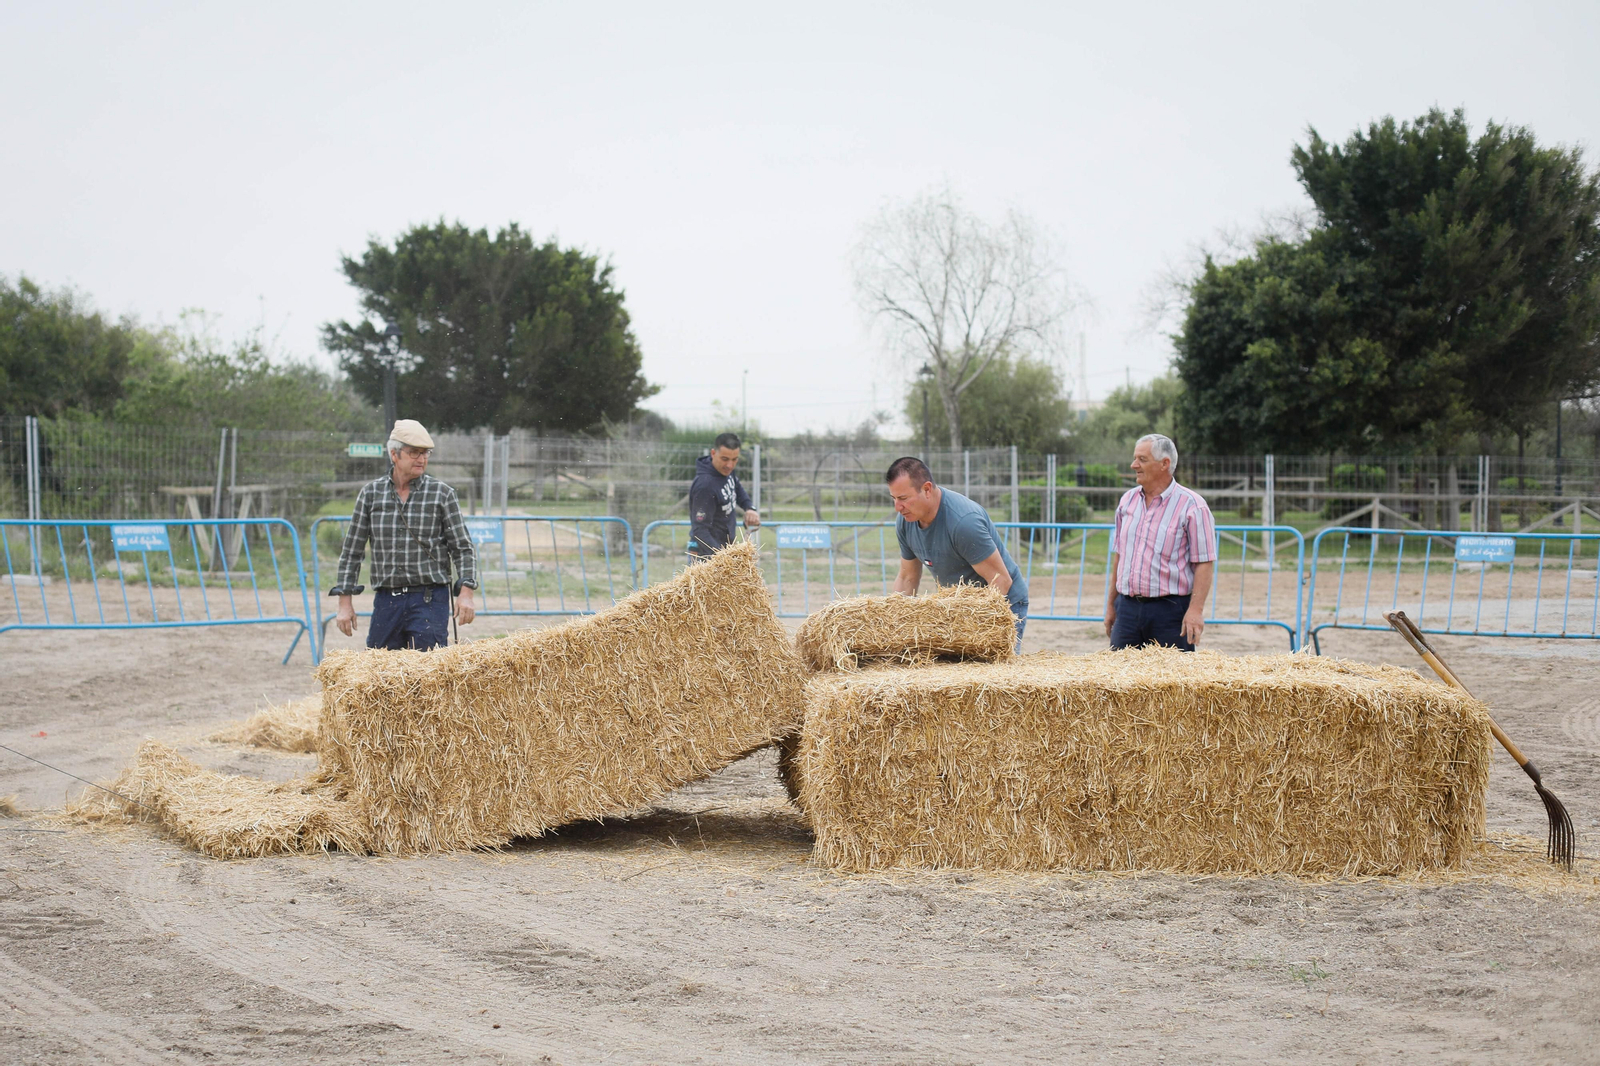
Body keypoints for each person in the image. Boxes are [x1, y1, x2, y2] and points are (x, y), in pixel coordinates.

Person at [329, 419, 478, 650]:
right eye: (414, 453)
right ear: (394, 455)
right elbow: (351, 553)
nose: (422, 459)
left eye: (425, 453)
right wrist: (344, 603)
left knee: (429, 675)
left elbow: (463, 548)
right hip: (387, 601)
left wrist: (466, 593)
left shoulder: (442, 494)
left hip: (430, 599)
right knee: (381, 676)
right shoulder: (370, 494)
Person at [887, 456, 1029, 647]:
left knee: (989, 672)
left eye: (903, 498)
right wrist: (891, 625)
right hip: (958, 609)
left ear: (927, 489)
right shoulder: (905, 522)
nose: (898, 507)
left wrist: (969, 627)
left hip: (1003, 603)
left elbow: (1000, 581)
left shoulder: (964, 522)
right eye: (894, 499)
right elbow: (907, 578)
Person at [1103, 433, 1215, 652]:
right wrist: (1110, 605)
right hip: (1127, 610)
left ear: (1165, 464)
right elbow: (1119, 556)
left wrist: (1195, 611)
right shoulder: (1127, 501)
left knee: (1173, 684)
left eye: (1142, 459)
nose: (1134, 465)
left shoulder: (1193, 506)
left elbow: (1204, 562)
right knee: (1119, 683)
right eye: (1135, 458)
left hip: (1171, 613)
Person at [687, 432, 761, 560]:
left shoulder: (726, 471)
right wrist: (722, 558)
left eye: (734, 459)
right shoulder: (705, 486)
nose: (730, 465)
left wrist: (749, 507)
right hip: (705, 557)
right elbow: (700, 531)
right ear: (713, 453)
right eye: (725, 459)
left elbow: (736, 488)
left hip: (724, 551)